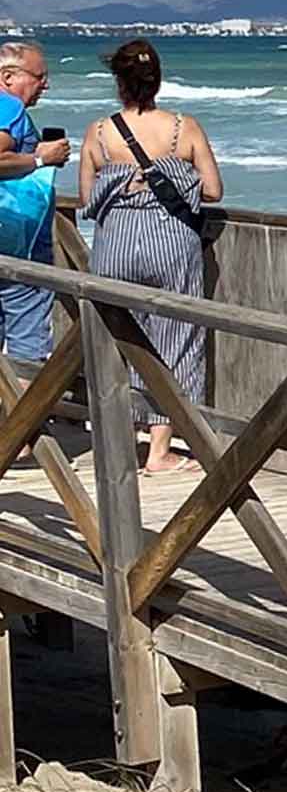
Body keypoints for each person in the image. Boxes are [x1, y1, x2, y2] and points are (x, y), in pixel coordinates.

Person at [74, 39, 223, 476]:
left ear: (118, 83)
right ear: (157, 80)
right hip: (170, 241)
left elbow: (86, 197)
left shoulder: (99, 132)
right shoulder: (183, 127)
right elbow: (212, 190)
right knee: (177, 340)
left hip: (116, 241)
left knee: (116, 341)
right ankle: (160, 450)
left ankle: (117, 435)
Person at [0, 40, 70, 362]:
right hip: (18, 247)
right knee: (28, 350)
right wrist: (41, 159)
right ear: (8, 77)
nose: (46, 84)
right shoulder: (9, 107)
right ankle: (29, 413)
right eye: (39, 76)